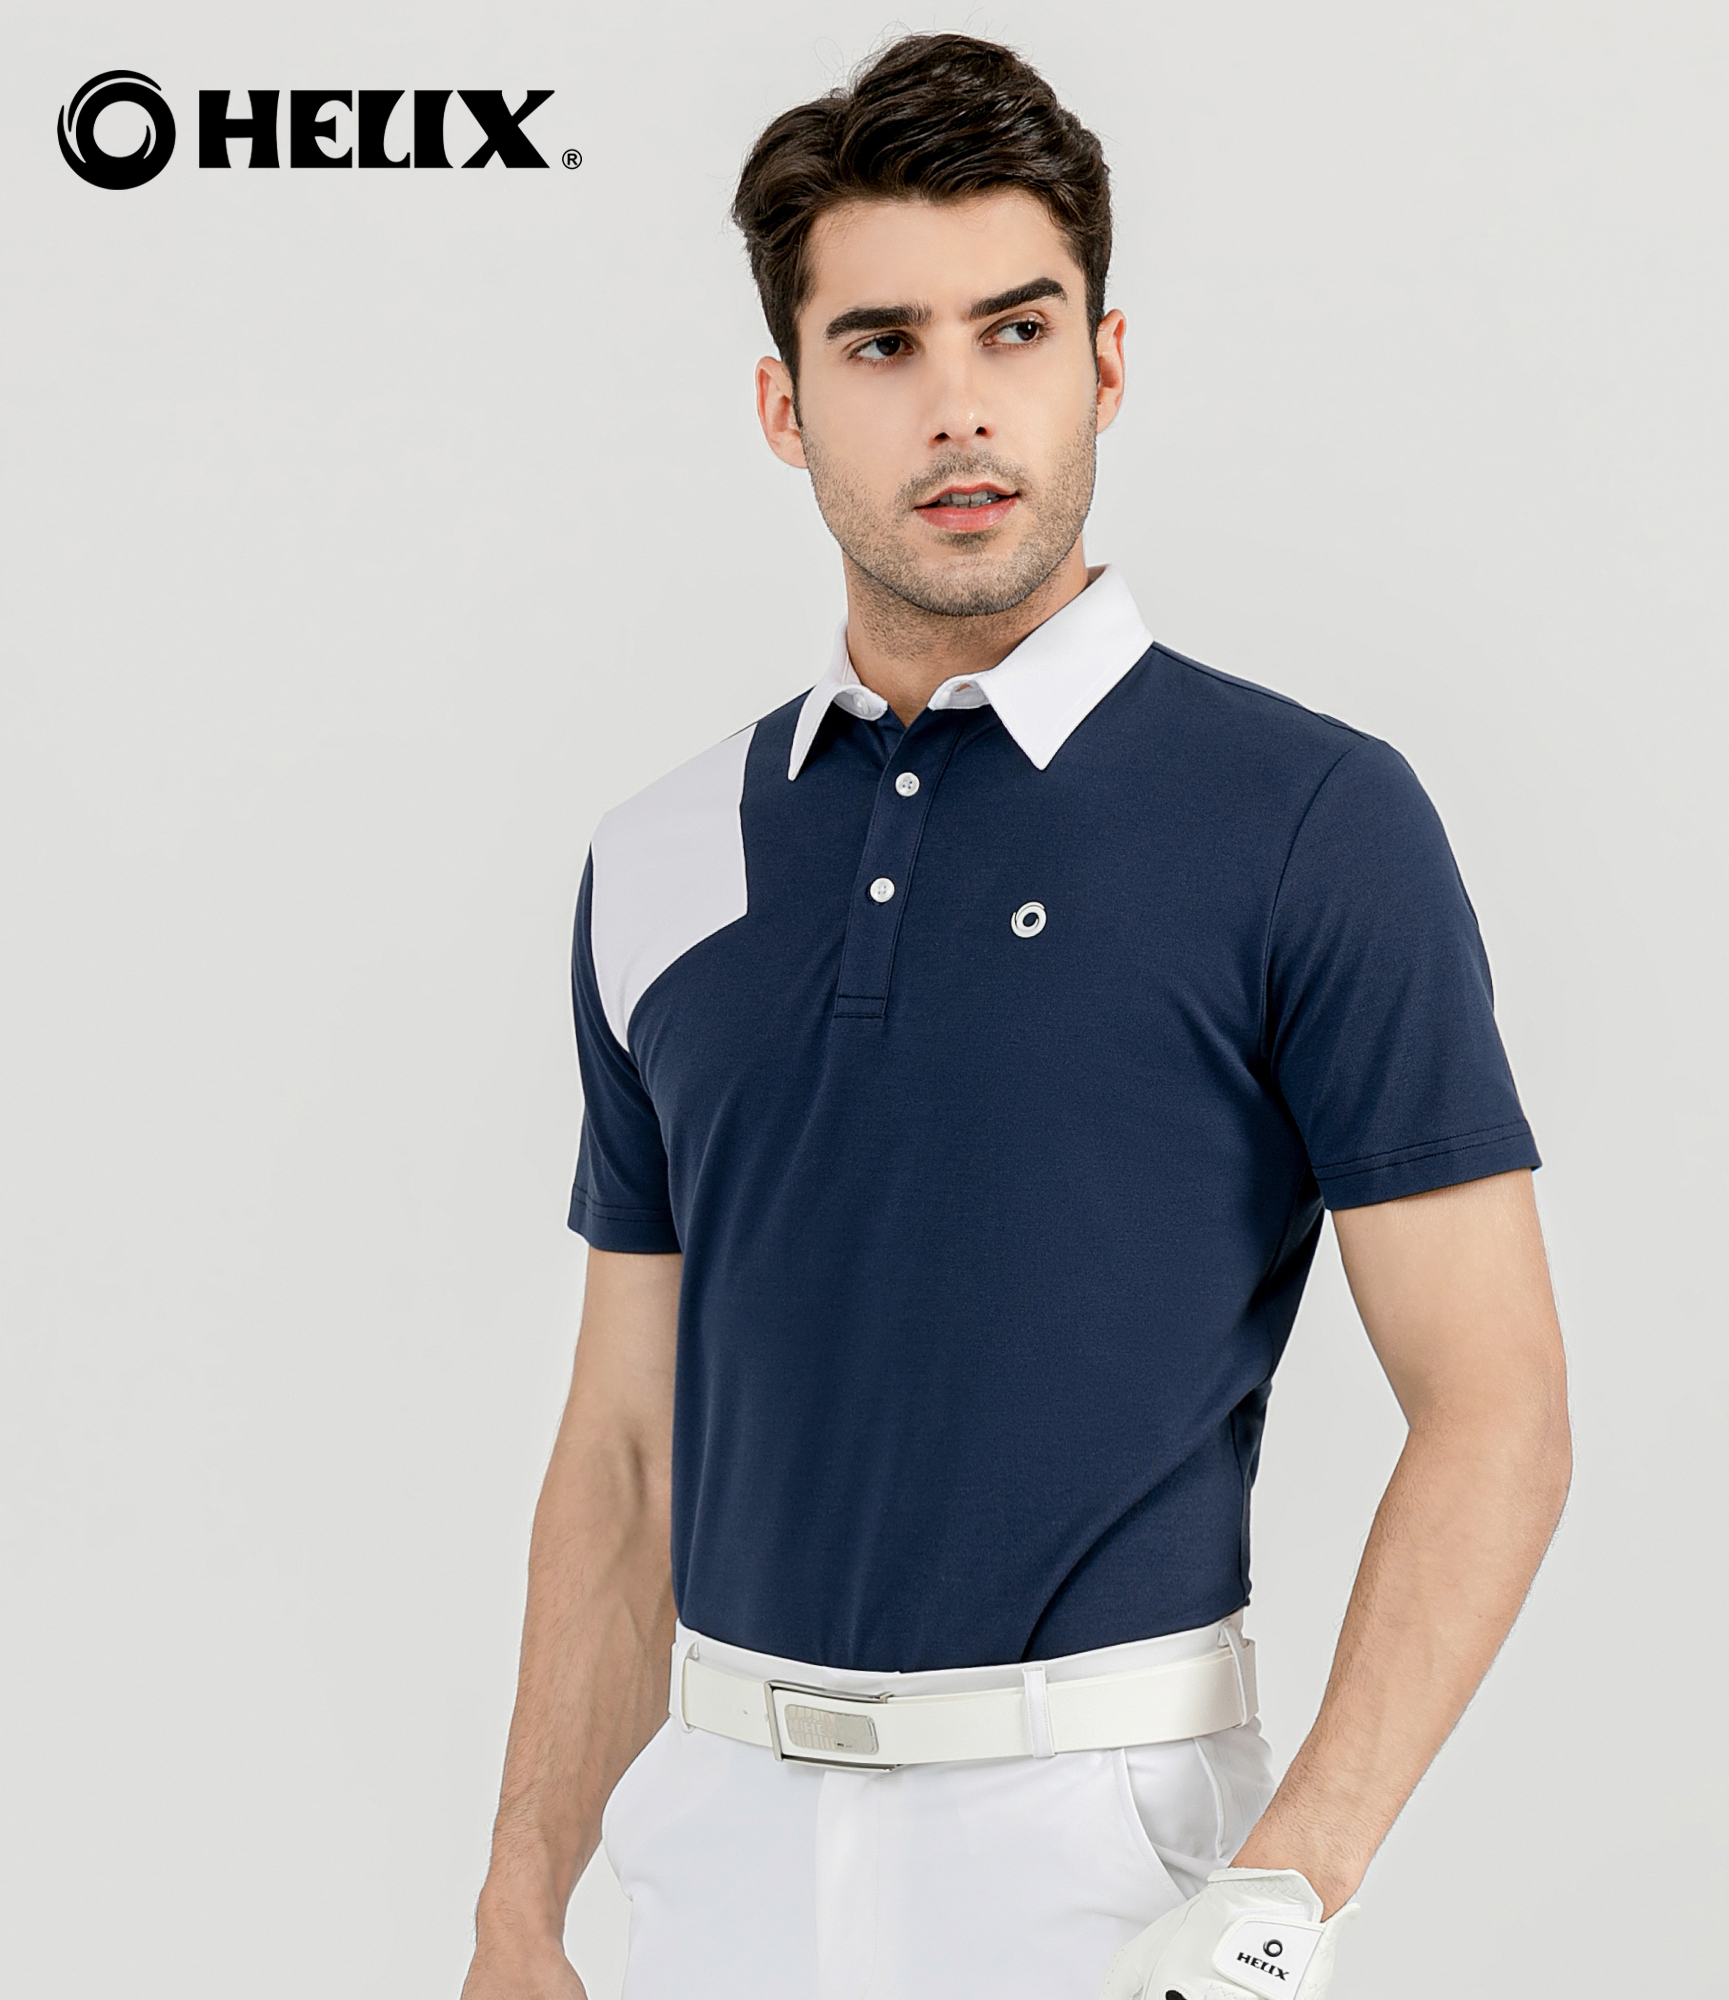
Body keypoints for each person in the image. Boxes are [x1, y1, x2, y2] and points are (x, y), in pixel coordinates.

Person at [460, 32, 1571, 2000]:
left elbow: (1496, 1406)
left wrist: (1288, 1882)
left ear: (1105, 366)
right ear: (784, 404)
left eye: (1016, 330)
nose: (959, 406)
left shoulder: (1304, 819)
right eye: (882, 344)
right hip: (714, 1853)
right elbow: (624, 1449)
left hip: (1110, 1857)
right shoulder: (658, 855)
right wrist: (518, 1906)